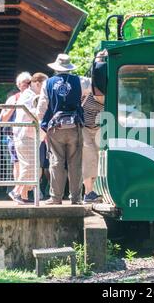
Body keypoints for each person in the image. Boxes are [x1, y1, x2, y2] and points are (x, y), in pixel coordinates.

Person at [36, 54, 88, 205]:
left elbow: (41, 107)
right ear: (69, 67)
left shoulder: (48, 83)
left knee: (56, 162)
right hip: (75, 127)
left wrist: (41, 124)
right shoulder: (81, 81)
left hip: (55, 128)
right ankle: (76, 198)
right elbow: (93, 90)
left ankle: (56, 197)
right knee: (75, 163)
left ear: (56, 68)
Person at [4, 72, 34, 205]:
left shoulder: (33, 97)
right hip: (15, 136)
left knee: (29, 166)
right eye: (24, 83)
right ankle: (18, 193)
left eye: (29, 82)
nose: (27, 85)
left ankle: (24, 194)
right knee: (18, 165)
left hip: (29, 135)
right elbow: (3, 118)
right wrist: (16, 106)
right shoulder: (14, 98)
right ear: (18, 85)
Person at [81, 52, 107, 203]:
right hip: (84, 128)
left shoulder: (112, 91)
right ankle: (88, 192)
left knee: (96, 160)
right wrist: (98, 58)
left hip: (98, 128)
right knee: (88, 158)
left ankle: (91, 191)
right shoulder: (88, 88)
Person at [31, 73, 50, 199]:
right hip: (38, 140)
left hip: (45, 139)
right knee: (38, 166)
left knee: (45, 167)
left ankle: (45, 190)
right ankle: (36, 191)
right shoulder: (31, 99)